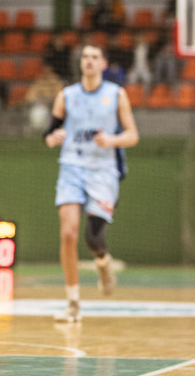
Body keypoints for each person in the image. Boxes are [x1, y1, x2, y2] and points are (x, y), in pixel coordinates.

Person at [43, 43, 139, 323]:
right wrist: (52, 138)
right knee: (69, 234)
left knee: (93, 238)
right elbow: (49, 134)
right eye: (85, 56)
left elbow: (132, 135)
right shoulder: (67, 95)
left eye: (95, 57)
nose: (89, 61)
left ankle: (102, 260)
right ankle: (73, 303)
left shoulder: (116, 95)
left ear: (103, 64)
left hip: (103, 171)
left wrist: (112, 140)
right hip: (72, 167)